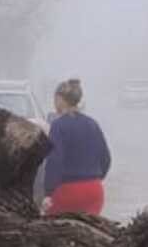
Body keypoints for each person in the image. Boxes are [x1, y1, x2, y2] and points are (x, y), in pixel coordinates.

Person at [41, 78, 111, 216]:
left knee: (58, 234)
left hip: (67, 193)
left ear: (60, 99)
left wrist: (48, 193)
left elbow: (55, 161)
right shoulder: (93, 124)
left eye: (55, 99)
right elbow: (106, 159)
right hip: (94, 191)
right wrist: (94, 179)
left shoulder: (58, 125)